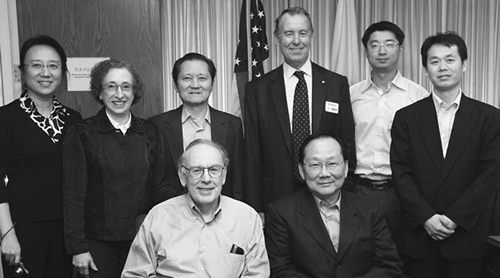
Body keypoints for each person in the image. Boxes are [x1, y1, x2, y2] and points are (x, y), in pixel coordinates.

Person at [390, 31, 500, 278]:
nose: (442, 67)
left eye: (450, 60)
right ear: (425, 69)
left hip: (466, 234)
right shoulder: (406, 118)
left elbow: (491, 174)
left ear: (464, 65)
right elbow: (400, 173)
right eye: (434, 61)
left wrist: (454, 217)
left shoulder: (489, 118)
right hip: (418, 234)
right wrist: (426, 217)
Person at [63, 59, 176, 278]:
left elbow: (160, 186)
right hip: (95, 245)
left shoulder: (151, 132)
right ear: (99, 92)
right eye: (111, 86)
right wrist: (78, 248)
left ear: (135, 92)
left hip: (142, 242)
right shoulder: (82, 133)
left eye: (126, 86)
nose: (119, 94)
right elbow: (72, 195)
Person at [244, 7, 355, 213]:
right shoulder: (257, 90)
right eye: (288, 33)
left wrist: (346, 195)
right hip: (275, 197)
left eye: (303, 33)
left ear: (311, 36)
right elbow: (252, 152)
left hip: (327, 193)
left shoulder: (335, 84)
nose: (296, 41)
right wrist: (255, 208)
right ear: (277, 39)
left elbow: (346, 141)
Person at [121, 139, 269, 277]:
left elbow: (257, 274)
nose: (206, 179)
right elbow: (135, 274)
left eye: (214, 169)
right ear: (183, 177)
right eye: (197, 170)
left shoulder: (247, 218)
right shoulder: (158, 217)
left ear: (223, 175)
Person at [0, 34, 82, 278]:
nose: (45, 73)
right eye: (36, 65)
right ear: (22, 72)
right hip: (22, 231)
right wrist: (7, 235)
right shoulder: (6, 118)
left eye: (53, 66)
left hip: (66, 233)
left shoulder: (73, 119)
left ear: (63, 72)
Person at [265, 132, 402, 277]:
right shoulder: (281, 212)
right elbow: (280, 269)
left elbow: (389, 264)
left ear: (345, 167)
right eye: (315, 165)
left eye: (332, 164)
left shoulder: (370, 209)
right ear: (301, 170)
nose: (324, 173)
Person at [349, 21, 428, 234]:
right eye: (374, 45)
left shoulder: (418, 96)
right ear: (366, 52)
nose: (382, 51)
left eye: (389, 44)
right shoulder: (351, 95)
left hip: (402, 191)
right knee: (359, 255)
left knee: (403, 256)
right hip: (358, 190)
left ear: (400, 50)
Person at [149, 52, 244, 200]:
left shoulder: (232, 124)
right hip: (174, 214)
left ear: (212, 84)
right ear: (175, 84)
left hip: (223, 214)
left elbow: (237, 181)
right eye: (187, 78)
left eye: (202, 78)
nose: (195, 85)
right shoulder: (157, 125)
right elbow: (156, 182)